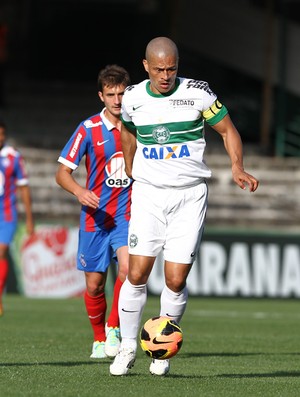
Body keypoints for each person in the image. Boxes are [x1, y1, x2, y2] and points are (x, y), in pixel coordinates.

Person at [109, 37, 259, 376]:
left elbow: (228, 130)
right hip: (148, 194)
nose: (166, 75)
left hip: (189, 196)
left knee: (175, 280)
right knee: (136, 274)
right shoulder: (132, 97)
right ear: (146, 66)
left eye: (172, 68)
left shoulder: (198, 93)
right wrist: (130, 163)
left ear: (179, 65)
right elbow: (128, 132)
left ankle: (161, 349)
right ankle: (128, 346)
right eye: (159, 69)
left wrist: (237, 166)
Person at [55, 64, 132, 359]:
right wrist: (80, 191)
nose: (117, 100)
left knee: (127, 270)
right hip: (95, 218)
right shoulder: (88, 129)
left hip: (126, 214)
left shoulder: (137, 126)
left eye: (122, 93)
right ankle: (99, 338)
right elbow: (62, 173)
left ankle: (114, 327)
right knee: (95, 284)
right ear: (101, 95)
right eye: (111, 94)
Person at [0, 120, 35, 315]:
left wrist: (30, 218)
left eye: (2, 134)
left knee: (1, 251)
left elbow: (23, 186)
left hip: (6, 213)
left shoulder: (13, 157)